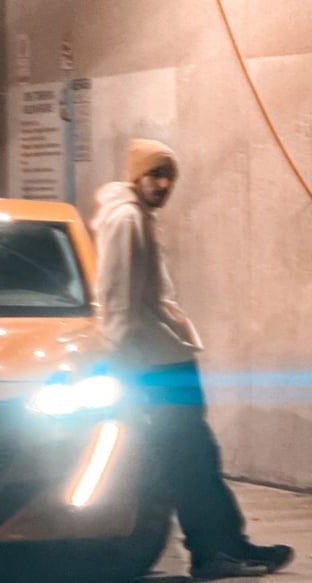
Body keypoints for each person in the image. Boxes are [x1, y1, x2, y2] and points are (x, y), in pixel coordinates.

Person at [90, 138, 294, 580]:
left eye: (169, 176)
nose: (163, 184)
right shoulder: (126, 219)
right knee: (191, 460)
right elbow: (118, 303)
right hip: (155, 365)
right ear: (136, 175)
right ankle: (214, 551)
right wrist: (119, 364)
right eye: (155, 174)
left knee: (194, 457)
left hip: (163, 358)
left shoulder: (137, 216)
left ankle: (225, 545)